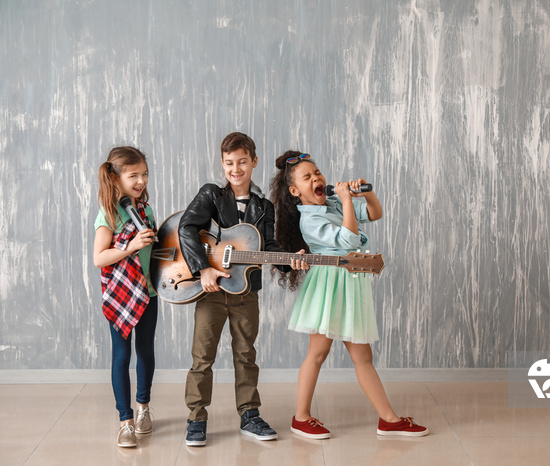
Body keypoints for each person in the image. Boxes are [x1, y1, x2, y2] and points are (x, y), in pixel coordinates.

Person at [269, 151, 429, 439]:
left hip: (350, 283)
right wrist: (346, 200)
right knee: (317, 354)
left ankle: (389, 420)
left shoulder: (330, 202)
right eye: (307, 177)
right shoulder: (309, 220)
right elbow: (348, 240)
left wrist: (366, 195)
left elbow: (374, 214)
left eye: (317, 172)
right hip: (329, 284)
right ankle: (301, 417)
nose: (316, 178)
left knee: (363, 356)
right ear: (295, 192)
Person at [178, 132, 306, 446]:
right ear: (222, 164)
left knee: (246, 354)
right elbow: (186, 227)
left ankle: (250, 414)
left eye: (242, 162)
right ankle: (196, 418)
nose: (236, 169)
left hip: (246, 292)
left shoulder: (264, 206)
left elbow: (270, 247)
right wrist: (202, 267)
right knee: (202, 357)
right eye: (229, 163)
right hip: (211, 291)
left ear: (254, 162)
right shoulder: (211, 194)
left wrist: (291, 261)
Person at [93, 146, 158, 448]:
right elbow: (99, 258)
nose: (141, 180)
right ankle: (125, 421)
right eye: (133, 175)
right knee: (122, 357)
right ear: (116, 178)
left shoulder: (145, 210)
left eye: (144, 174)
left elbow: (154, 253)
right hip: (120, 296)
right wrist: (131, 246)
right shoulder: (108, 214)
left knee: (145, 351)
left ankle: (143, 407)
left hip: (147, 291)